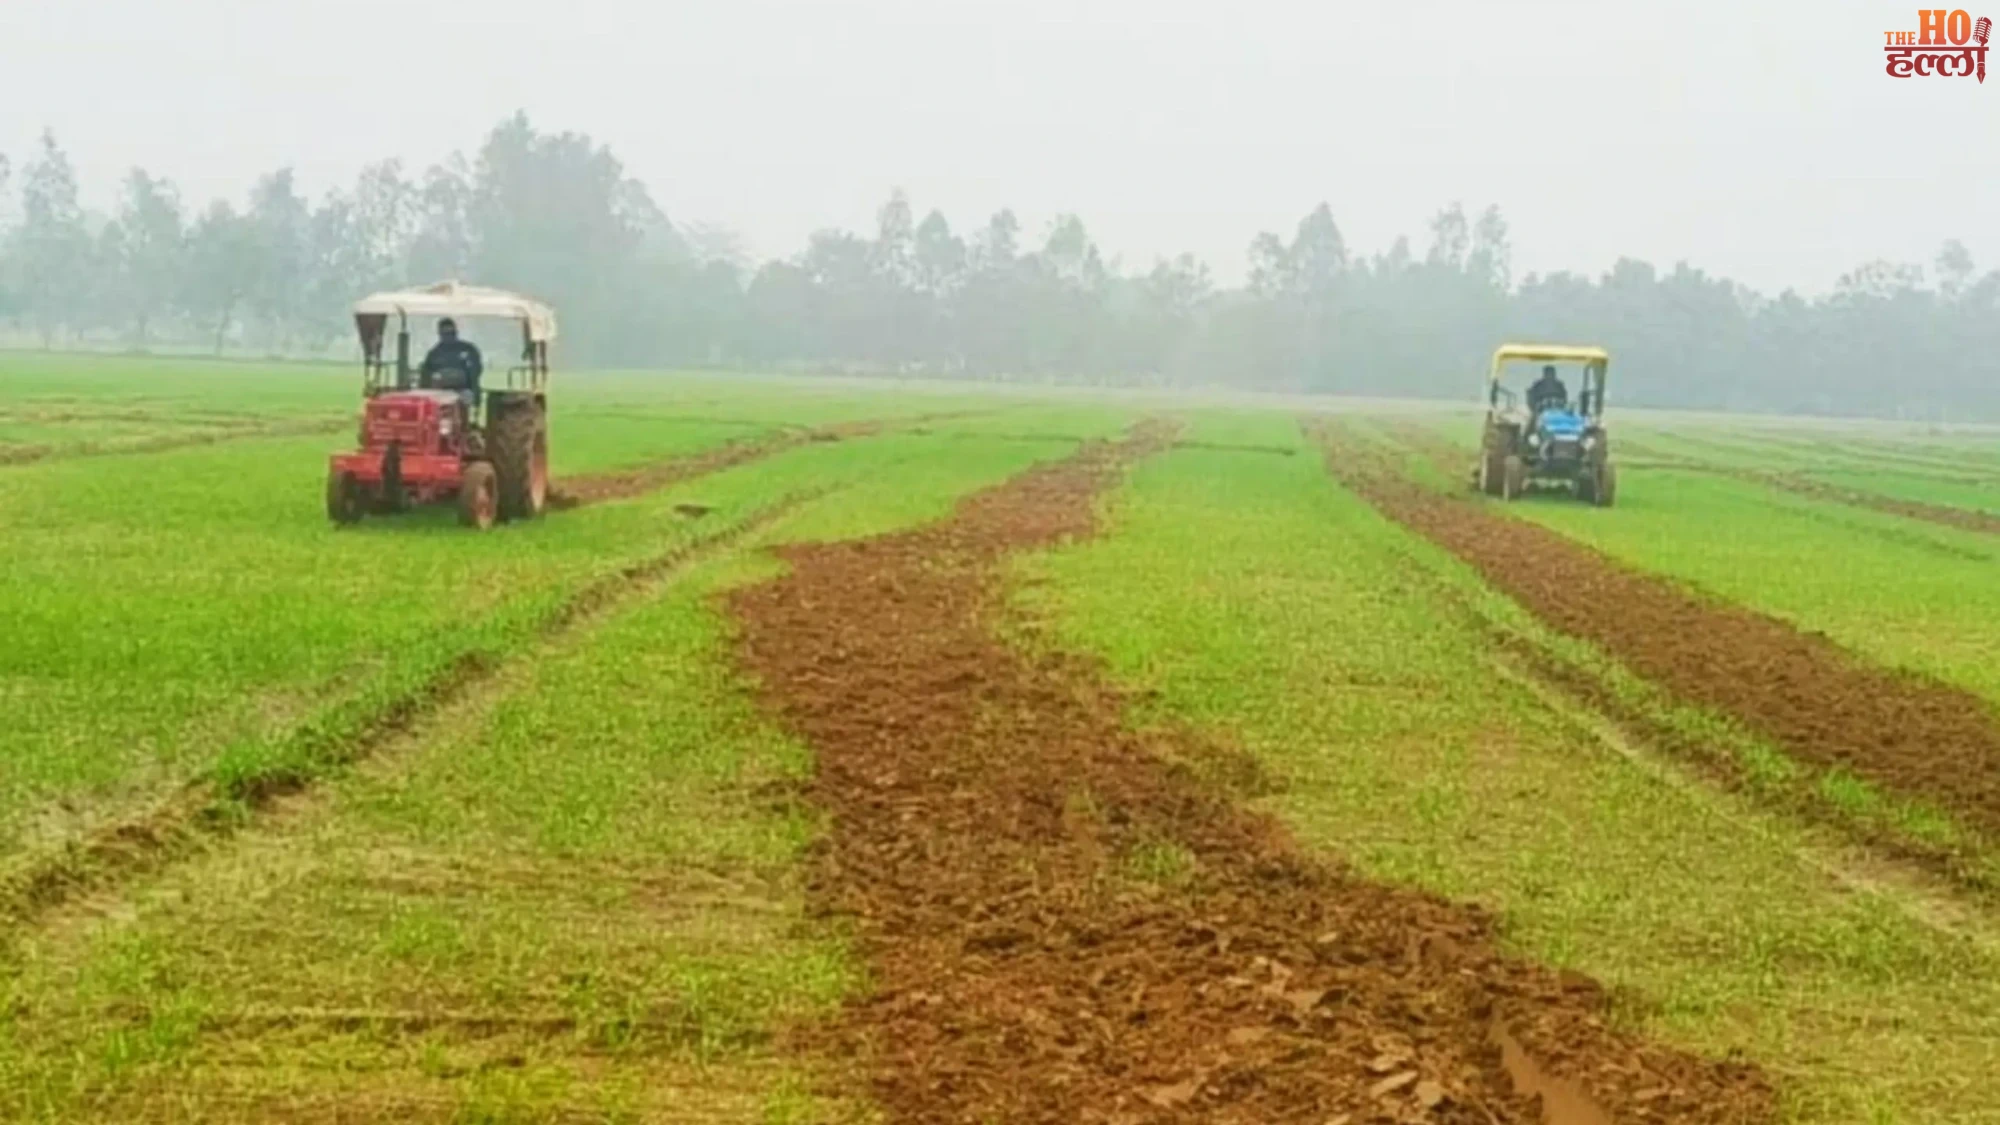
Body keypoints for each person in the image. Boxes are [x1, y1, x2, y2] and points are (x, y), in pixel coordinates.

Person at [420, 317, 483, 397]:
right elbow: (426, 375)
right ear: (440, 334)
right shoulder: (434, 354)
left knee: (466, 396)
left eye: (451, 333)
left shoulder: (468, 349)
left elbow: (476, 370)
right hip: (440, 392)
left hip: (463, 390)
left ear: (456, 332)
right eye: (446, 333)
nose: (449, 337)